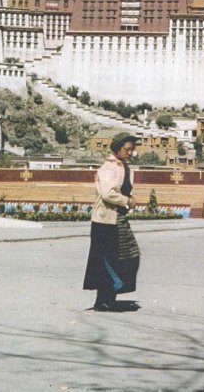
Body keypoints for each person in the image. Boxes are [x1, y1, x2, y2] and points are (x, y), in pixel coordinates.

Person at [83, 132, 141, 312]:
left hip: (117, 218)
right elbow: (108, 193)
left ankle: (107, 298)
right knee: (107, 260)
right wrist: (127, 201)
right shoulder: (108, 168)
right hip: (105, 221)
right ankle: (104, 300)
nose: (130, 153)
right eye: (127, 149)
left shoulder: (122, 166)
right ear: (117, 148)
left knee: (121, 256)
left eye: (131, 150)